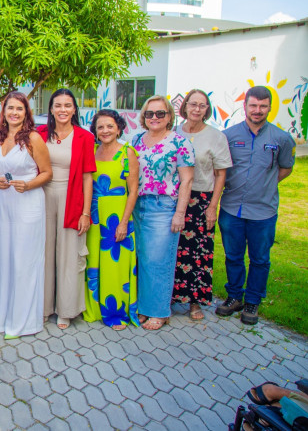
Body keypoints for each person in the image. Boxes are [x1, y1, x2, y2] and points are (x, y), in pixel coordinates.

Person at [215, 85, 295, 325]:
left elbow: (285, 168)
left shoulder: (281, 138)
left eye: (262, 106)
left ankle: (252, 302)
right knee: (233, 256)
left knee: (260, 259)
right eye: (253, 105)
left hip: (263, 211)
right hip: (231, 209)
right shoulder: (228, 136)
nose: (257, 110)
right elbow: (221, 169)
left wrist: (265, 184)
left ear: (269, 107)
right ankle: (234, 297)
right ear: (245, 106)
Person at [0, 91, 52, 339]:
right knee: (4, 258)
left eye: (19, 109)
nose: (14, 113)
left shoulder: (33, 138)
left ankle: (22, 322)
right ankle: (2, 316)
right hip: (2, 202)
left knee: (24, 261)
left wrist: (29, 185)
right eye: (10, 108)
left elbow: (47, 173)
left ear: (26, 113)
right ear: (4, 112)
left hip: (27, 203)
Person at [131, 95, 194, 331]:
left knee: (159, 260)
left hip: (164, 206)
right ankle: (145, 306)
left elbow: (187, 181)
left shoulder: (179, 143)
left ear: (169, 116)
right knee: (143, 259)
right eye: (150, 114)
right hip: (138, 205)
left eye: (160, 113)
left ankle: (159, 311)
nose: (154, 118)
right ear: (144, 117)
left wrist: (180, 213)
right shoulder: (136, 140)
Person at [37, 89, 96, 330]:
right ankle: (42, 307)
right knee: (43, 254)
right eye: (58, 105)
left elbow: (87, 177)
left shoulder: (84, 137)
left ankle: (66, 309)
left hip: (71, 198)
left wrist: (85, 212)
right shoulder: (39, 134)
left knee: (69, 254)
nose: (63, 109)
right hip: (40, 196)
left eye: (68, 105)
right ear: (50, 108)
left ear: (74, 109)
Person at [172, 90, 232, 321]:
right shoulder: (174, 132)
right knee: (175, 249)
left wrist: (212, 206)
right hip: (174, 197)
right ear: (185, 106)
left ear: (207, 109)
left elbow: (220, 174)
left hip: (201, 199)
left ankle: (195, 302)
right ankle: (171, 296)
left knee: (199, 252)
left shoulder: (216, 137)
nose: (197, 109)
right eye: (193, 104)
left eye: (202, 105)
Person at [83, 110, 140, 330]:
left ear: (118, 127)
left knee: (115, 266)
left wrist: (124, 222)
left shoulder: (127, 153)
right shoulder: (93, 151)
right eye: (100, 127)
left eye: (109, 126)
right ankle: (95, 308)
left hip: (117, 217)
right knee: (94, 265)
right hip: (95, 216)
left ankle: (116, 313)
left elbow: (133, 191)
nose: (105, 131)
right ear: (95, 131)